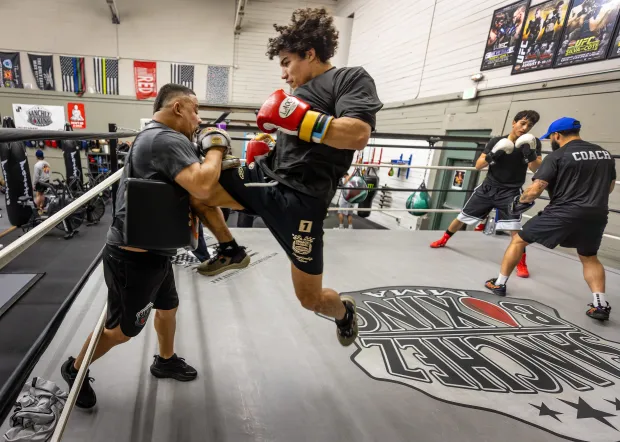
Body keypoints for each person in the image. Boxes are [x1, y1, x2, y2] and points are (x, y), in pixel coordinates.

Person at [192, 7, 383, 346]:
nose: (283, 73)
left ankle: (344, 312)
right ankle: (230, 249)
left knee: (310, 299)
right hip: (265, 178)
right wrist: (267, 145)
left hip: (302, 203)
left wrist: (297, 120)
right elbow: (298, 141)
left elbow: (356, 134)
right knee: (196, 187)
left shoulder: (349, 79)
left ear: (310, 54)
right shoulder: (295, 95)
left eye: (286, 61)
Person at [60, 83, 232, 408]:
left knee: (167, 309)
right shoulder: (164, 138)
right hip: (133, 259)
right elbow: (203, 186)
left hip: (155, 253)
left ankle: (165, 360)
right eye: (195, 111)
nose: (198, 120)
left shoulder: (155, 135)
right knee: (122, 331)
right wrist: (217, 146)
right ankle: (75, 368)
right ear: (178, 107)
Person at [484, 117, 616, 321]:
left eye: (552, 137)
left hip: (563, 212)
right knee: (589, 256)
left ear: (557, 135)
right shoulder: (604, 154)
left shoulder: (558, 155)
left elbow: (536, 188)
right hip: (597, 213)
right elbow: (609, 187)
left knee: (519, 239)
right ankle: (600, 303)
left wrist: (518, 203)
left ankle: (499, 283)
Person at [430, 110, 543, 278]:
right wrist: (493, 155)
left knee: (514, 228)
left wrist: (530, 154)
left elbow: (536, 168)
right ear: (514, 123)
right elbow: (478, 165)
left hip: (510, 191)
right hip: (488, 188)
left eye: (529, 125)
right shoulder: (497, 141)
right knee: (463, 216)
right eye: (522, 123)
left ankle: (521, 263)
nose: (525, 128)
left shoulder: (532, 142)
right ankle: (444, 239)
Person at [32, 149, 51, 214]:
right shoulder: (46, 163)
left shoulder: (37, 165)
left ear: (36, 156)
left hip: (40, 182)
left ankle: (36, 208)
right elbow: (47, 173)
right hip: (46, 181)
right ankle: (41, 207)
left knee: (38, 195)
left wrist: (34, 184)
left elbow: (36, 176)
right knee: (42, 194)